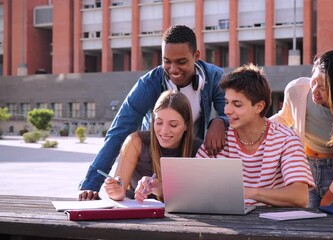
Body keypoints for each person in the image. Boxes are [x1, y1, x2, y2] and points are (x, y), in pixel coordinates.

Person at [79, 25, 227, 200]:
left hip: (189, 156)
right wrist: (91, 185)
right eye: (167, 61)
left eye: (181, 62)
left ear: (196, 56)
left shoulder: (214, 76)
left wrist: (220, 121)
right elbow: (119, 131)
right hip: (153, 161)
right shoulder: (149, 83)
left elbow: (231, 112)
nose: (173, 69)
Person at [196, 64, 314, 207]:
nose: (227, 110)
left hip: (273, 226)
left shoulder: (286, 139)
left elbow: (299, 197)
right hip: (225, 222)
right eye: (226, 102)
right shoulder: (219, 137)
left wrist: (249, 193)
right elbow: (193, 185)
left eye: (237, 104)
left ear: (259, 107)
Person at [270, 50, 333, 208]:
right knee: (304, 224)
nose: (315, 90)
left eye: (323, 87)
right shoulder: (297, 90)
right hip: (305, 169)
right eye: (314, 81)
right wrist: (255, 124)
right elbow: (284, 118)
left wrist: (326, 201)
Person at [103, 90, 202, 201]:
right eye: (159, 122)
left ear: (187, 125)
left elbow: (196, 197)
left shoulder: (199, 149)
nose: (164, 131)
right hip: (137, 212)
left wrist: (161, 189)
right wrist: (115, 191)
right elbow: (120, 191)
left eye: (173, 125)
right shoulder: (136, 142)